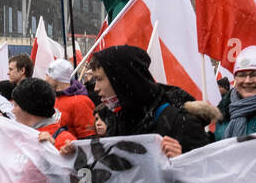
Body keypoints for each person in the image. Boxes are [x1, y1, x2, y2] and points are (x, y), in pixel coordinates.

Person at [89, 45, 220, 155]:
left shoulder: (178, 121)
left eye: (99, 79)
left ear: (122, 80)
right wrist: (75, 157)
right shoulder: (119, 119)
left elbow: (206, 173)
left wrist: (181, 160)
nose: (95, 88)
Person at [43, 58, 96, 138]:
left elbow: (88, 138)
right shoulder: (53, 100)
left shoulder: (81, 102)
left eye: (47, 75)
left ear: (56, 77)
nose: (45, 79)